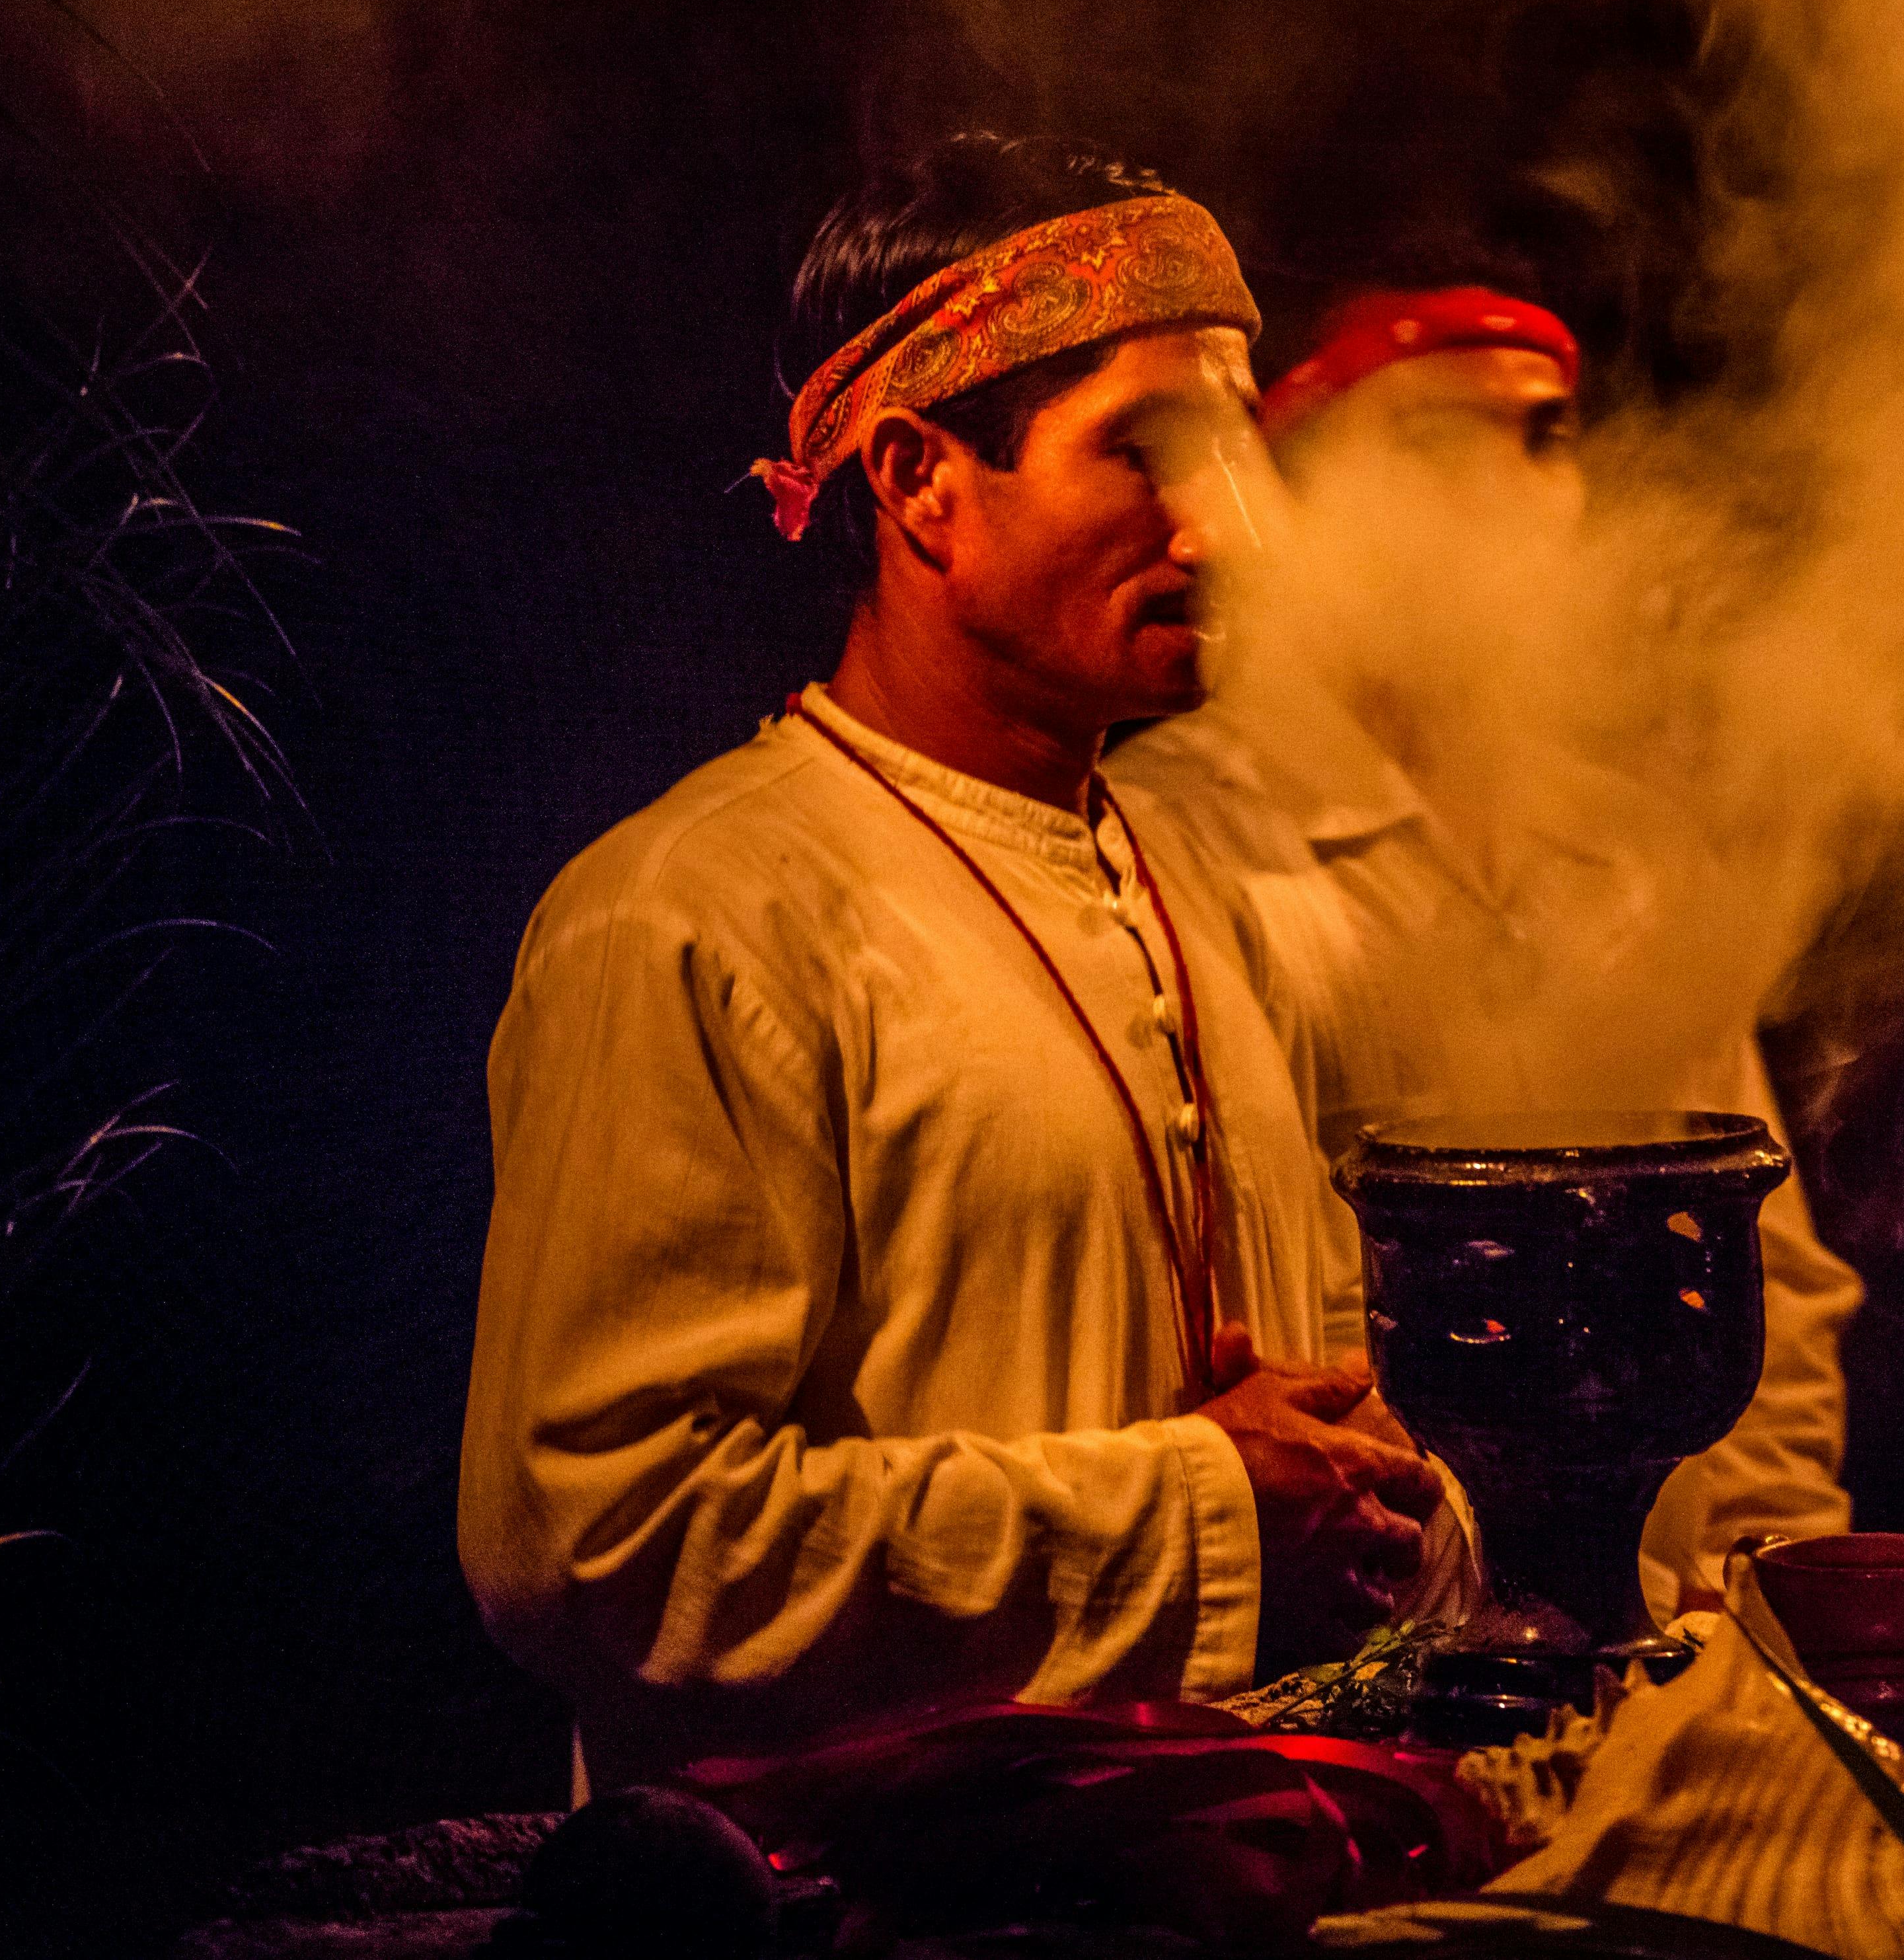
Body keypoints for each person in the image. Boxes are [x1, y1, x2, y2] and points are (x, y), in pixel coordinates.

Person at [459, 137, 1463, 1792]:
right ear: (920, 476)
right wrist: (1203, 1512)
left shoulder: (1199, 882)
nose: (1237, 536)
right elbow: (598, 1538)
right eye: (1146, 451)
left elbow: (1327, 1416)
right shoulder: (691, 914)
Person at [1109, 262, 1862, 1622]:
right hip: (1369, 1630)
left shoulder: (1626, 853)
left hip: (1668, 1620)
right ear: (1307, 496)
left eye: (1545, 436)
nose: (1507, 488)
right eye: (1436, 443)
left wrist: (1764, 1576)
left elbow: (1764, 1260)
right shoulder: (1184, 833)